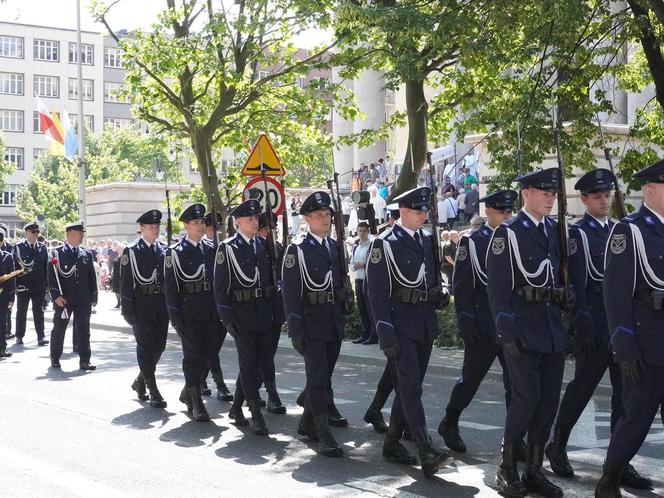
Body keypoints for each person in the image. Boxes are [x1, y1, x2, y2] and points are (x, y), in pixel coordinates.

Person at [547, 169, 651, 491]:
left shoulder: (622, 231)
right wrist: (584, 324)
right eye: (597, 196)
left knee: (625, 397)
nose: (604, 201)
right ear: (585, 199)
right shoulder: (579, 234)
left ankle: (618, 461)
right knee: (582, 389)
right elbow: (577, 282)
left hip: (622, 328)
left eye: (607, 195)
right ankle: (557, 443)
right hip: (594, 325)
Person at [487, 168, 567, 498]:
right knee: (525, 400)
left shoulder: (556, 230)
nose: (550, 198)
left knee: (548, 402)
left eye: (553, 194)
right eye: (543, 192)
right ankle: (507, 468)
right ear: (527, 195)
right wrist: (506, 332)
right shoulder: (509, 233)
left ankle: (534, 469)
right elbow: (498, 289)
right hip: (521, 329)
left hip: (550, 329)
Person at [366, 186, 453, 478]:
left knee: (409, 388)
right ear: (402, 211)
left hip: (424, 324)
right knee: (411, 387)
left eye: (425, 210)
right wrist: (385, 332)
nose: (423, 215)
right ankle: (425, 449)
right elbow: (377, 293)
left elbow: (429, 279)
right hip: (399, 326)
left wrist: (438, 295)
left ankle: (391, 443)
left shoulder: (427, 240)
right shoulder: (385, 243)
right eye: (418, 211)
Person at [594, 160, 664, 497]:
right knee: (636, 420)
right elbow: (616, 294)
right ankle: (610, 476)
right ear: (650, 190)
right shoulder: (630, 230)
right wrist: (624, 347)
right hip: (645, 345)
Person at [437, 191, 519, 456]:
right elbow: (462, 285)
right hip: (483, 324)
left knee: (516, 384)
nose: (507, 217)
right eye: (503, 212)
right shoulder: (473, 242)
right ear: (489, 213)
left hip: (510, 324)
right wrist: (465, 320)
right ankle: (450, 421)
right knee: (470, 380)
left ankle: (515, 439)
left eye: (510, 212)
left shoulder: (515, 238)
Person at [282, 191, 347, 457]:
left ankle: (306, 421)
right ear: (307, 218)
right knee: (318, 379)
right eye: (319, 215)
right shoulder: (297, 249)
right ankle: (323, 433)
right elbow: (290, 293)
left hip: (333, 321)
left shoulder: (334, 247)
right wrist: (295, 329)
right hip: (311, 323)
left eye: (327, 215)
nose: (325, 219)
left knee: (323, 377)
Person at [214, 199, 277, 435]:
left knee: (261, 365)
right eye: (249, 218)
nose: (254, 221)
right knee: (249, 365)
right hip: (241, 315)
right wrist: (227, 318)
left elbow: (271, 282)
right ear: (237, 222)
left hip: (263, 313)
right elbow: (220, 288)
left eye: (256, 218)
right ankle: (255, 412)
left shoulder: (262, 245)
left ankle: (236, 406)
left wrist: (275, 312)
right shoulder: (228, 248)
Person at [164, 203, 215, 422]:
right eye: (195, 223)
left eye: (202, 222)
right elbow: (170, 287)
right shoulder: (175, 253)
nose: (200, 226)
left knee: (207, 355)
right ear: (186, 226)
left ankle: (188, 391)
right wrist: (175, 316)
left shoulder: (212, 249)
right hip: (189, 312)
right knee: (193, 357)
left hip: (210, 311)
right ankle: (196, 401)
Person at [120, 210, 170, 408]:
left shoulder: (164, 249)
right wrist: (126, 308)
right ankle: (153, 389)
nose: (155, 230)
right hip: (140, 305)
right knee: (145, 348)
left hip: (160, 304)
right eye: (151, 227)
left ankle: (140, 380)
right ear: (141, 229)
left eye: (157, 227)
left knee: (159, 347)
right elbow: (125, 281)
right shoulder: (131, 251)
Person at [48, 221, 98, 371]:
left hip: (83, 298)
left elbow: (91, 277)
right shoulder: (56, 253)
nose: (82, 236)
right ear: (70, 235)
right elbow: (51, 276)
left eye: (82, 234)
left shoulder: (86, 253)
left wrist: (94, 296)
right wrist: (55, 295)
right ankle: (55, 357)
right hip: (64, 299)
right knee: (59, 329)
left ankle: (85, 360)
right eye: (79, 233)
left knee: (84, 330)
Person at [197, 211, 233, 402]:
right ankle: (219, 384)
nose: (217, 232)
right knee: (210, 346)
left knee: (213, 347)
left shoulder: (226, 249)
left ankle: (201, 379)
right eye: (213, 228)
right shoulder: (203, 249)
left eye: (220, 228)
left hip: (222, 306)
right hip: (206, 307)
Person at [257, 211, 286, 414]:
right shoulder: (254, 250)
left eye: (271, 229)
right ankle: (271, 393)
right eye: (265, 229)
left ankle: (248, 391)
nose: (268, 232)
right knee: (262, 354)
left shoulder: (278, 248)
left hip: (275, 309)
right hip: (258, 309)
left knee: (268, 353)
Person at [13, 221, 49, 347]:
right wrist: (15, 285)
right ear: (27, 233)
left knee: (39, 312)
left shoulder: (42, 247)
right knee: (21, 312)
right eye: (34, 232)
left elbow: (45, 268)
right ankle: (19, 336)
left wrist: (47, 286)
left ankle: (41, 336)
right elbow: (15, 269)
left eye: (38, 232)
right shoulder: (18, 247)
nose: (36, 235)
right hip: (23, 286)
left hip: (38, 286)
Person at [350, 222, 373, 344]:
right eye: (360, 231)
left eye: (364, 231)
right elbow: (352, 264)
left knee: (370, 308)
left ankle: (373, 334)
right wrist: (355, 266)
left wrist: (364, 264)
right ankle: (365, 333)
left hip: (367, 281)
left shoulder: (371, 246)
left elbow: (375, 263)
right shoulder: (356, 247)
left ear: (368, 232)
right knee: (362, 308)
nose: (362, 233)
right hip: (358, 280)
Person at [0, 243, 15, 358]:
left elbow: (11, 279)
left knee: (2, 323)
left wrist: (11, 297)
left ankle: (2, 349)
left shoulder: (8, 256)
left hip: (3, 296)